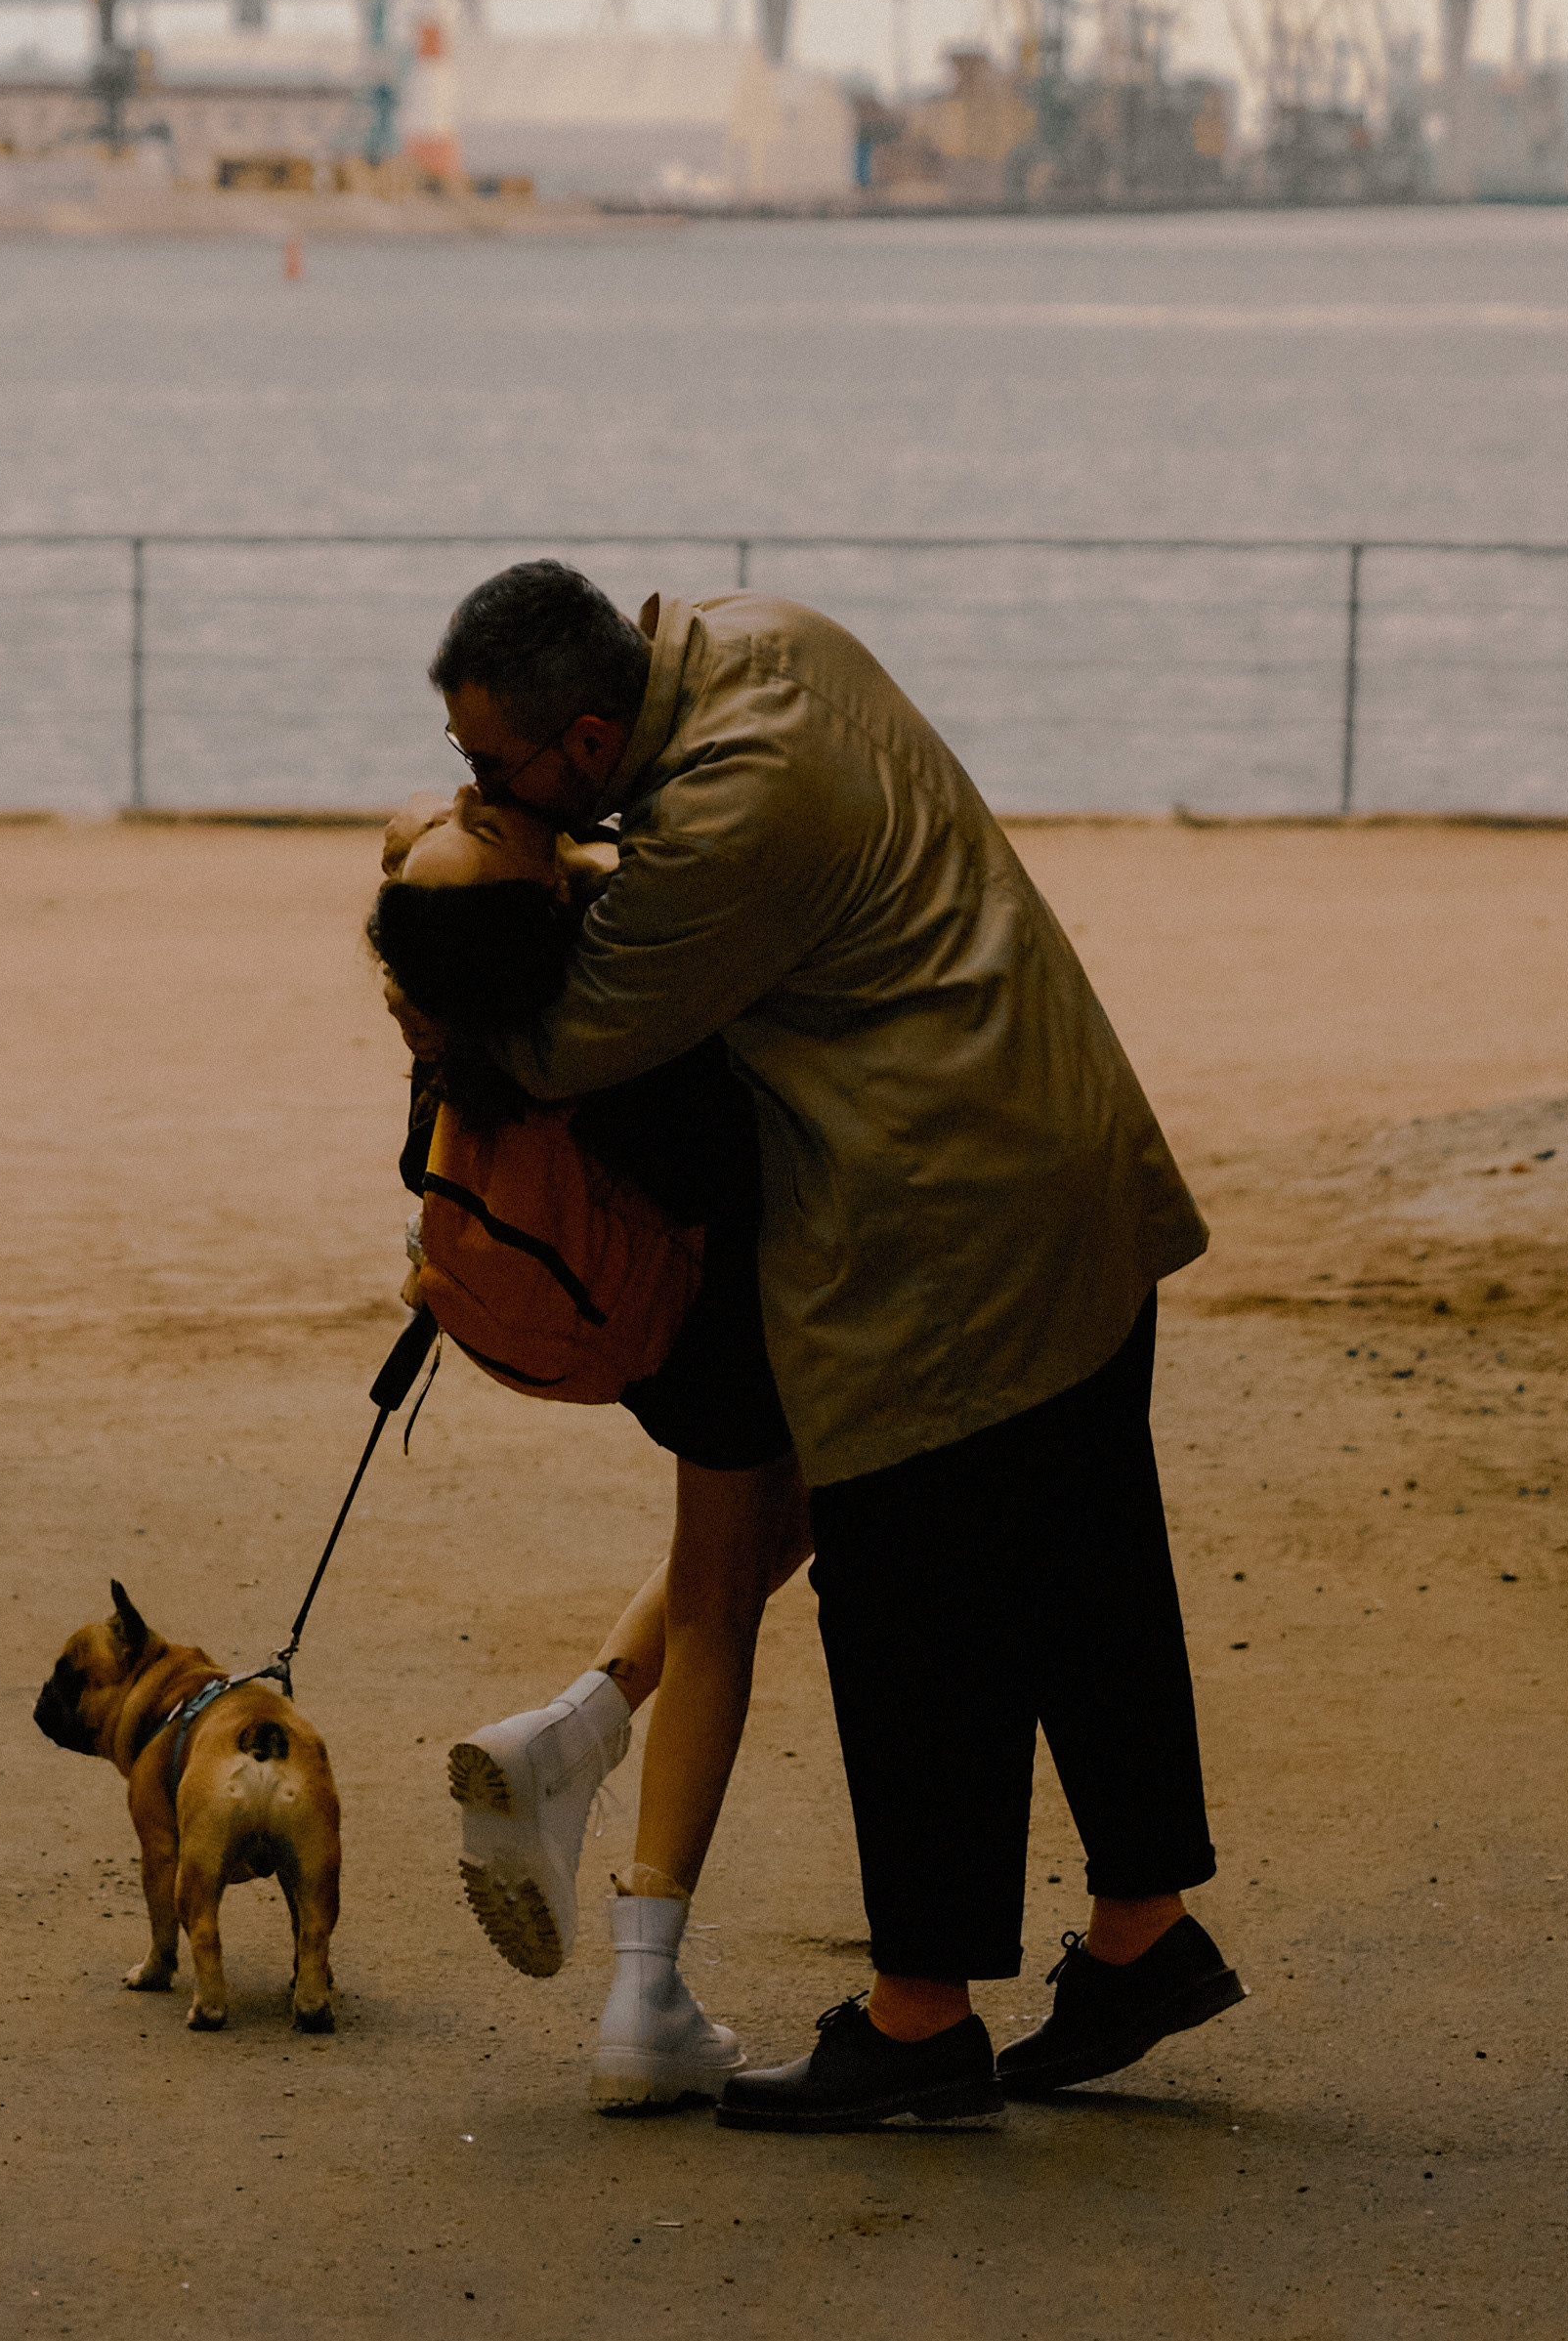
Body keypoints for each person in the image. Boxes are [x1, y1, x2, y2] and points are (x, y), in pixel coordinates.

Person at [399, 560, 1241, 2133]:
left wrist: (426, 971)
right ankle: (1143, 1931)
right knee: (1086, 1558)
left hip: (946, 1215)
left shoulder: (720, 824)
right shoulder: (773, 634)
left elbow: (572, 1040)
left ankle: (919, 2011)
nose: (472, 788)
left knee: (908, 1593)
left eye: (490, 767)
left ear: (588, 740)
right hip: (1065, 1155)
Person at [368, 788, 811, 2111]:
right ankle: (645, 1988)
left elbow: (422, 855)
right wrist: (567, 850)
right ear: (546, 910)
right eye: (491, 826)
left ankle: (580, 1727)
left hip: (632, 1316)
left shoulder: (452, 986)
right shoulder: (612, 968)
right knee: (727, 1590)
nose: (477, 803)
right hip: (717, 1301)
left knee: (797, 1511)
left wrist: (510, 849)